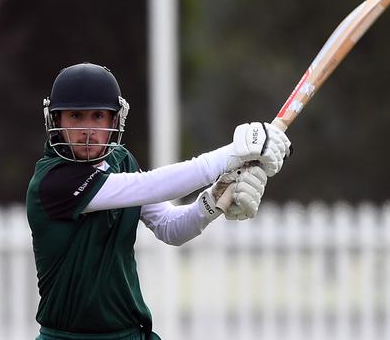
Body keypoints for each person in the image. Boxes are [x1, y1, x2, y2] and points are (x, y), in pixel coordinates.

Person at [26, 62, 291, 340]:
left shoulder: (121, 162)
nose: (88, 130)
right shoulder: (52, 182)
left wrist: (214, 199)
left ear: (114, 120)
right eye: (75, 116)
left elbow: (170, 227)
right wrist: (232, 153)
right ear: (56, 121)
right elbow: (151, 186)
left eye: (98, 116)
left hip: (130, 335)